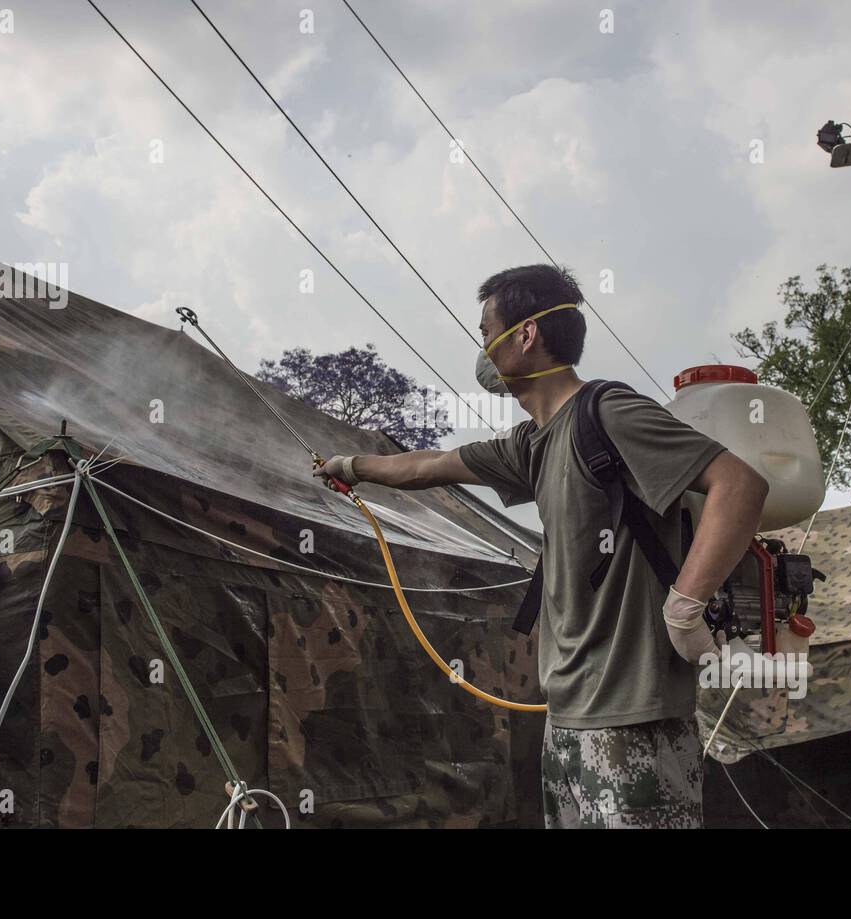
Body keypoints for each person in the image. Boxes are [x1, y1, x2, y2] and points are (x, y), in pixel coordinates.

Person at [314, 264, 768, 828]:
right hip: (567, 717)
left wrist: (685, 606)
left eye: (486, 332)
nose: (482, 348)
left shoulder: (609, 413)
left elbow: (742, 485)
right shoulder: (530, 446)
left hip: (634, 715)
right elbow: (427, 465)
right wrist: (350, 466)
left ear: (525, 335)